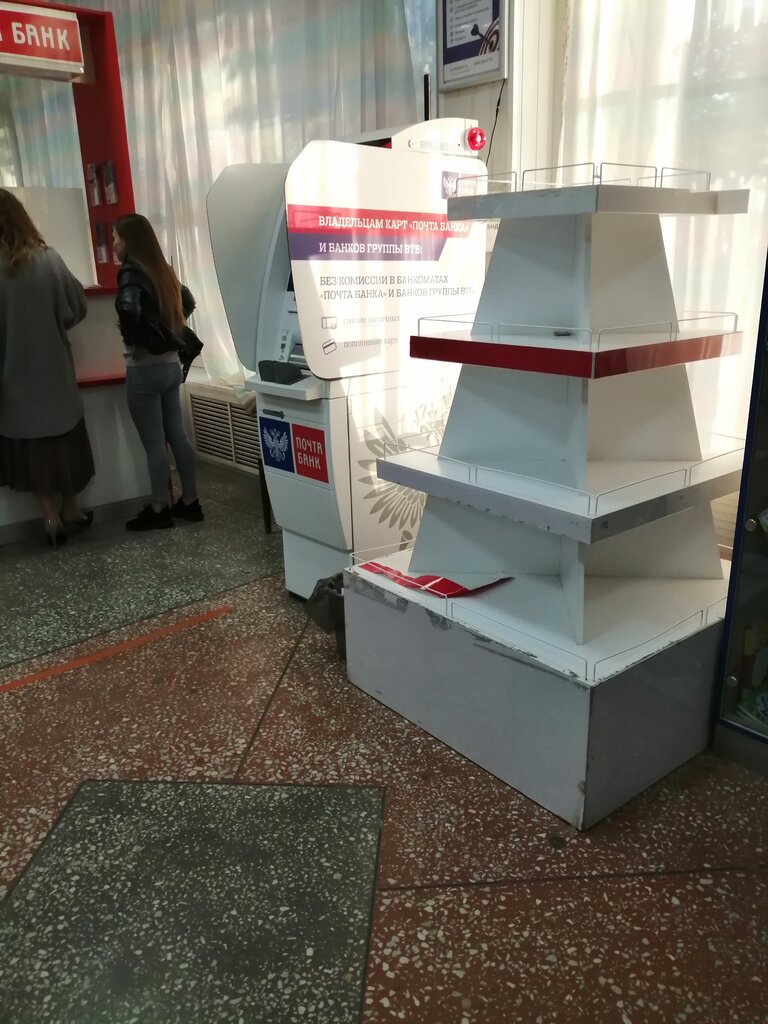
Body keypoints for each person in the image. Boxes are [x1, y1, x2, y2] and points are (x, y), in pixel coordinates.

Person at [0, 189, 94, 547]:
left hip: (12, 376)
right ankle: (71, 507)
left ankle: (50, 518)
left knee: (33, 451)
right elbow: (77, 307)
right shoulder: (49, 260)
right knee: (66, 442)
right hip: (54, 372)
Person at [112, 214, 203, 531]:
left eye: (116, 238)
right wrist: (167, 330)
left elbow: (128, 310)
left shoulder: (130, 272)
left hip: (144, 369)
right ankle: (190, 501)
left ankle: (159, 507)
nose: (114, 244)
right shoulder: (163, 269)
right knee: (178, 435)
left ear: (128, 241)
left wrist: (143, 340)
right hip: (171, 366)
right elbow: (188, 300)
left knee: (154, 443)